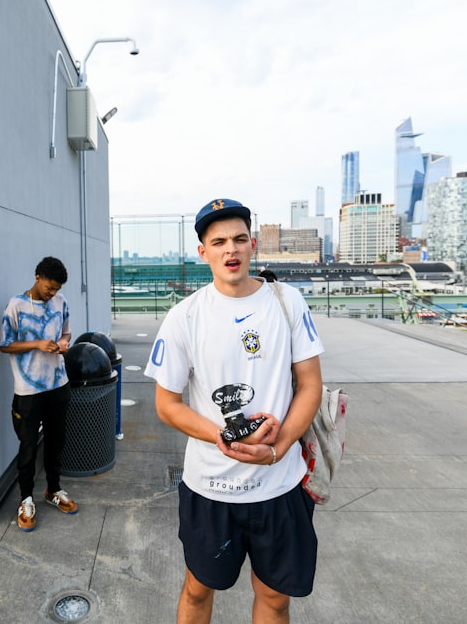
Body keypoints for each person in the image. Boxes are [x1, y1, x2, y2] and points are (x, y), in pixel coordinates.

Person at [144, 198, 325, 623]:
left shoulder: (288, 302)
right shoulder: (184, 317)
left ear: (253, 244)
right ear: (203, 252)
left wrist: (276, 450)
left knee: (276, 598)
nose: (232, 250)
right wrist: (222, 438)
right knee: (197, 589)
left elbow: (311, 386)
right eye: (219, 241)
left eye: (240, 239)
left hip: (281, 485)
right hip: (211, 489)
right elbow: (167, 405)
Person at [0, 256, 79, 532]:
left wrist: (63, 344)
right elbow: (5, 345)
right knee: (28, 446)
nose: (52, 293)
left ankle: (53, 490)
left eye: (56, 289)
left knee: (57, 440)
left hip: (58, 384)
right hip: (28, 389)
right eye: (49, 287)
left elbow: (67, 332)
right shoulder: (16, 305)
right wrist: (37, 344)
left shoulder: (61, 302)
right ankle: (26, 499)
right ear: (37, 277)